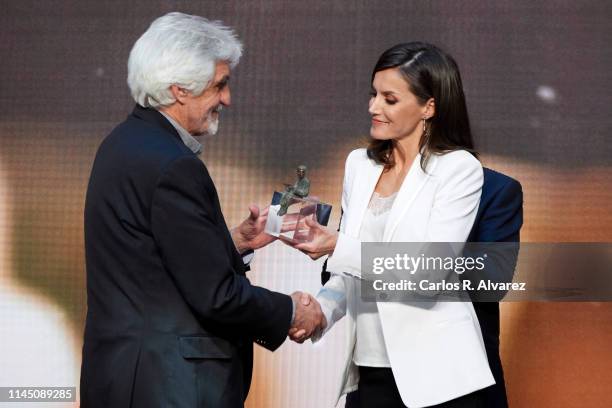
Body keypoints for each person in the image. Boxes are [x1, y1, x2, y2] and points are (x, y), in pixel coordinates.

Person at [80, 12, 325, 408]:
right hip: (167, 389)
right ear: (179, 90)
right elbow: (216, 297)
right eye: (219, 85)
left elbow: (152, 266)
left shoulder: (122, 144)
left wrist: (232, 243)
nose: (227, 99)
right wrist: (292, 311)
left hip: (126, 382)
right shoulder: (173, 165)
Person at [286, 42, 495, 407]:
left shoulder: (458, 169)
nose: (373, 107)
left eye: (389, 99)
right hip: (367, 371)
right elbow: (350, 271)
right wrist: (319, 311)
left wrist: (337, 246)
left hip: (438, 377)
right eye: (373, 95)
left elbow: (429, 273)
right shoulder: (358, 165)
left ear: (429, 106)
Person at [322, 167, 524, 408]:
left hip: (453, 381)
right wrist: (317, 309)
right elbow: (338, 270)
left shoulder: (493, 188)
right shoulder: (368, 179)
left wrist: (415, 262)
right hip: (373, 375)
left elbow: (491, 282)